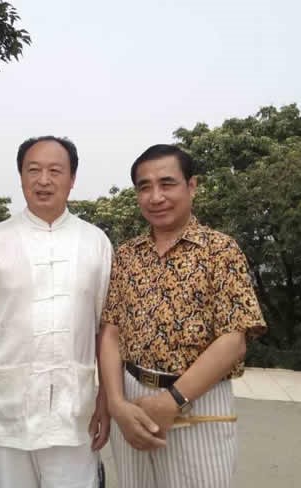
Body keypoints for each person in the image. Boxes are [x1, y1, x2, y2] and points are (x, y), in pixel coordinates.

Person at [0, 136, 112, 488]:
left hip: (73, 414)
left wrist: (106, 397)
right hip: (7, 414)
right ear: (21, 176)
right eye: (33, 170)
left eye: (55, 171)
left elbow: (106, 329)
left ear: (72, 178)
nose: (43, 180)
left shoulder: (96, 243)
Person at [100, 144, 267, 488]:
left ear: (191, 186)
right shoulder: (127, 255)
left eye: (167, 183)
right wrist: (115, 403)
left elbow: (234, 339)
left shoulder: (220, 250)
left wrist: (172, 400)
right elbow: (112, 331)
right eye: (144, 187)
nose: (156, 197)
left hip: (198, 400)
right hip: (131, 399)